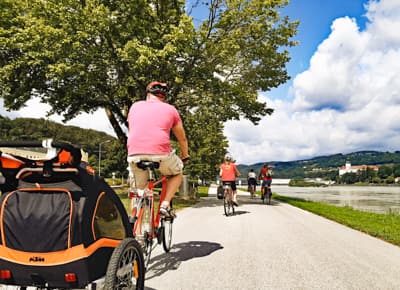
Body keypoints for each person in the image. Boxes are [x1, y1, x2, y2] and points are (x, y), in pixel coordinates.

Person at [127, 81, 190, 217]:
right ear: (164, 96)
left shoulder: (134, 106)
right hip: (161, 155)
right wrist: (185, 155)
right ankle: (165, 204)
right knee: (176, 173)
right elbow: (182, 138)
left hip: (134, 154)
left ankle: (136, 224)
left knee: (139, 191)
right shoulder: (171, 110)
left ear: (148, 93)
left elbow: (133, 129)